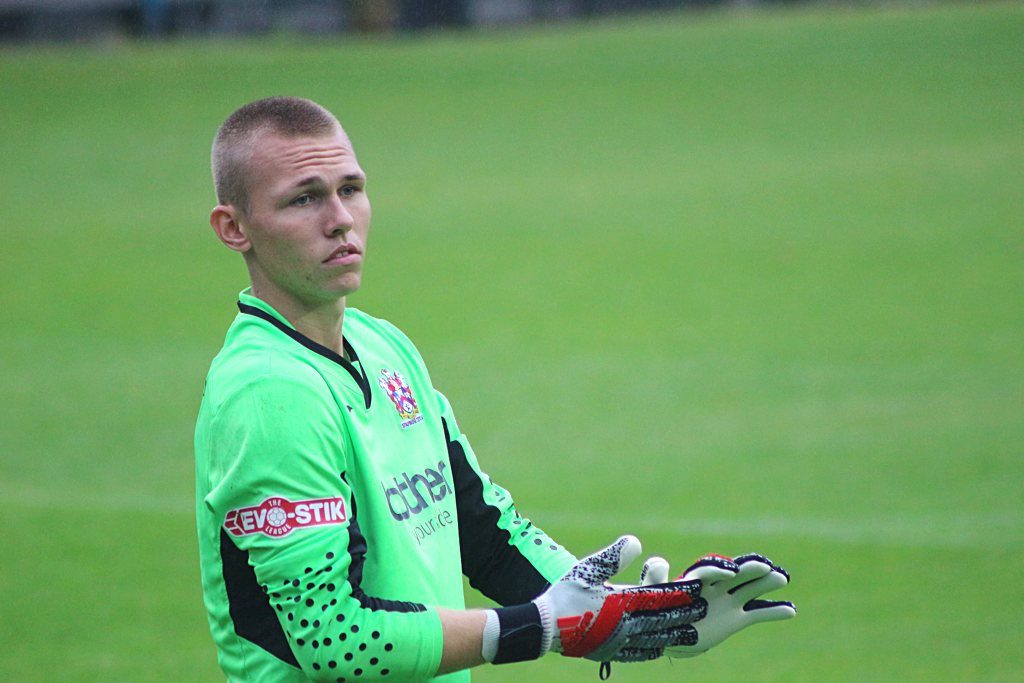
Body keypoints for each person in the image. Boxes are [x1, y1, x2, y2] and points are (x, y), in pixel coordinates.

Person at [194, 96, 795, 682]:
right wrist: (538, 627)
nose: (340, 219)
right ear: (234, 228)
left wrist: (628, 615)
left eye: (350, 189)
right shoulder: (268, 395)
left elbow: (482, 528)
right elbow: (334, 638)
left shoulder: (382, 345)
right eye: (304, 199)